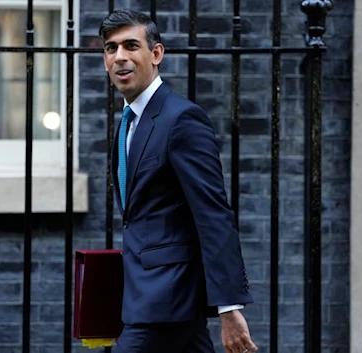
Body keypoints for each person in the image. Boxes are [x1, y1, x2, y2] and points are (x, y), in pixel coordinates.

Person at [100, 9, 258, 353]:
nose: (120, 57)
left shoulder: (181, 118)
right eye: (111, 49)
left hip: (164, 300)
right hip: (149, 297)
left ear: (156, 55)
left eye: (131, 45)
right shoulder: (130, 121)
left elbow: (213, 214)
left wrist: (228, 307)